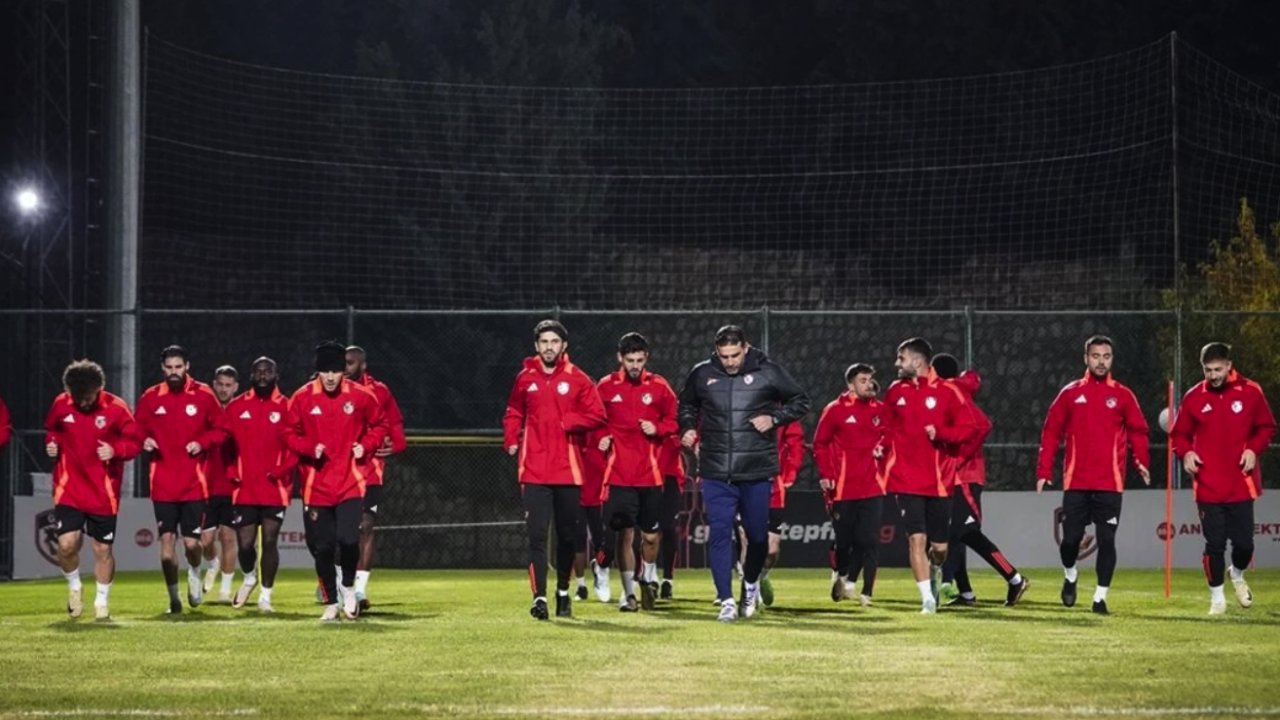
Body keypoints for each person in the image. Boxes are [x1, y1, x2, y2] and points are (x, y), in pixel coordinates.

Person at [677, 325, 810, 622]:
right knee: (720, 534)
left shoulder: (768, 371)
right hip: (715, 471)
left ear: (746, 348)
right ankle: (726, 600)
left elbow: (801, 401)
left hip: (756, 470)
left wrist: (775, 418)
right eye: (724, 356)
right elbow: (686, 405)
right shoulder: (702, 373)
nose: (730, 362)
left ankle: (750, 586)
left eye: (735, 355)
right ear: (716, 351)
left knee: (758, 538)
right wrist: (686, 428)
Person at [1037, 335, 1151, 615]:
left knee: (1107, 540)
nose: (1101, 361)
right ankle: (1070, 575)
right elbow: (1051, 432)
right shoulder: (1070, 393)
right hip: (1076, 482)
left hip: (1110, 483)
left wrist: (1141, 461)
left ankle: (1100, 598)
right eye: (1096, 356)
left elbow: (1138, 431)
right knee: (1070, 542)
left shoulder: (1123, 395)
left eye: (1106, 356)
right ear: (1085, 358)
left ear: (1112, 359)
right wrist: (1043, 470)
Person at [503, 320, 607, 620]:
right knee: (536, 537)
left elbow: (598, 415)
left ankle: (563, 592)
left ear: (564, 346)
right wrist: (511, 438)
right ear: (536, 346)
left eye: (554, 342)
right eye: (544, 342)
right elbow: (514, 410)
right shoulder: (525, 378)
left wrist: (570, 422)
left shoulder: (578, 379)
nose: (549, 347)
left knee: (567, 537)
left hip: (568, 471)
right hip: (534, 470)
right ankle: (539, 598)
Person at [1170, 342, 1276, 615]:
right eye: (1208, 370)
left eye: (1218, 369)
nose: (1213, 375)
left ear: (1229, 365)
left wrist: (1253, 449)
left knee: (1244, 545)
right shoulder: (1194, 397)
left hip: (1241, 483)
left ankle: (1237, 573)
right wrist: (1186, 452)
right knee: (1214, 545)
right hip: (1207, 485)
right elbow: (1179, 434)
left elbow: (1266, 427)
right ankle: (1217, 598)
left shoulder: (1251, 391)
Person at [287, 341, 387, 621]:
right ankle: (331, 602)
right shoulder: (302, 397)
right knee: (323, 547)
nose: (330, 377)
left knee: (349, 539)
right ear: (317, 371)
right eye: (325, 371)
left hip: (350, 482)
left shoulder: (361, 395)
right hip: (316, 486)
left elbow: (380, 425)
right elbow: (288, 433)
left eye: (335, 371)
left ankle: (349, 588)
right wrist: (309, 448)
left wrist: (366, 445)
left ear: (343, 371)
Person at [883, 338, 980, 614]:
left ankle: (936, 569)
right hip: (905, 480)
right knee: (916, 538)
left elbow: (971, 428)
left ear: (917, 361)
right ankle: (927, 599)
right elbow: (886, 427)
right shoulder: (895, 391)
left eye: (901, 358)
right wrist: (880, 447)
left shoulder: (949, 391)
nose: (896, 363)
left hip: (939, 482)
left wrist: (943, 434)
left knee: (939, 548)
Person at [43, 359, 142, 619]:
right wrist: (52, 443)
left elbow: (135, 443)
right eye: (78, 398)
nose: (83, 402)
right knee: (66, 545)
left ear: (99, 388)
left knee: (102, 550)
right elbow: (52, 429)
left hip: (103, 492)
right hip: (70, 488)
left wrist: (115, 450)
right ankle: (75, 587)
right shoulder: (61, 403)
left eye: (87, 397)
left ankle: (101, 601)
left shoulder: (117, 408)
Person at [931, 354, 1030, 607]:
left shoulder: (952, 392)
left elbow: (982, 425)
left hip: (964, 476)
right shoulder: (948, 393)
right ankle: (967, 593)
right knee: (957, 534)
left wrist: (958, 459)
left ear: (935, 372)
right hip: (953, 476)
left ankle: (1014, 578)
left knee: (963, 532)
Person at [135, 345, 225, 614]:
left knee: (192, 544)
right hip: (162, 485)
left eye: (178, 367)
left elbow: (222, 429)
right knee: (166, 550)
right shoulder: (151, 397)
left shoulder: (204, 394)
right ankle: (173, 598)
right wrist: (143, 440)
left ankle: (195, 571)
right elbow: (134, 430)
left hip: (194, 485)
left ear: (187, 366)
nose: (174, 372)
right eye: (169, 367)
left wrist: (202, 442)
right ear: (162, 368)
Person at [597, 332, 678, 612]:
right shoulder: (606, 387)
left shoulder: (659, 387)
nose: (634, 365)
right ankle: (628, 594)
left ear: (646, 358)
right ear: (620, 358)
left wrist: (659, 428)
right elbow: (594, 419)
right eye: (630, 360)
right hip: (619, 475)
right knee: (625, 533)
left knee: (651, 537)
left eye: (639, 360)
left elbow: (675, 420)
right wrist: (601, 437)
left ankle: (648, 577)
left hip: (650, 475)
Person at [217, 357, 296, 613]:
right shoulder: (237, 406)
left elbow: (296, 446)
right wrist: (231, 471)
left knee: (270, 541)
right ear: (251, 376)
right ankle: (250, 577)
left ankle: (266, 596)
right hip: (245, 488)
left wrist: (282, 471)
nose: (263, 375)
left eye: (268, 371)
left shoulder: (287, 406)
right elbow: (225, 445)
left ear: (276, 375)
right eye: (258, 371)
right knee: (245, 544)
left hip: (275, 488)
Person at [813, 363, 886, 607]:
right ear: (850, 385)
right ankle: (841, 574)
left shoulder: (880, 409)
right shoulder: (835, 410)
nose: (869, 384)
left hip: (873, 486)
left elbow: (892, 434)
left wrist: (883, 446)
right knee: (845, 541)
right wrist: (826, 473)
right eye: (863, 380)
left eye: (870, 379)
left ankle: (867, 593)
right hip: (843, 487)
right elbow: (820, 443)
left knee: (869, 539)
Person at [344, 345, 408, 611]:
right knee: (339, 532)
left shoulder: (379, 391)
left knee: (365, 527)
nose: (345, 367)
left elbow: (394, 423)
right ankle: (337, 580)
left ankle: (359, 590)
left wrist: (397, 444)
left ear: (363, 365)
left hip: (369, 470)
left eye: (350, 362)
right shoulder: (331, 390)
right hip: (338, 472)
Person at [202, 365, 241, 601]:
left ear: (235, 387)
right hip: (206, 484)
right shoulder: (205, 409)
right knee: (206, 541)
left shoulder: (241, 411)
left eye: (228, 385)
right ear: (214, 385)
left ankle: (225, 590)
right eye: (220, 384)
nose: (224, 389)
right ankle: (212, 562)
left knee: (228, 537)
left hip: (232, 486)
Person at [757, 419, 805, 607]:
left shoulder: (782, 414)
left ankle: (762, 577)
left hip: (774, 489)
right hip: (745, 485)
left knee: (772, 550)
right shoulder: (742, 409)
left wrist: (790, 472)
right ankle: (750, 589)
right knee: (747, 541)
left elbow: (796, 444)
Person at [656, 433, 686, 599]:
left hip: (670, 478)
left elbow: (687, 433)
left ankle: (667, 580)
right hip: (646, 475)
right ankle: (648, 575)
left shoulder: (674, 422)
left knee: (669, 529)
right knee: (646, 531)